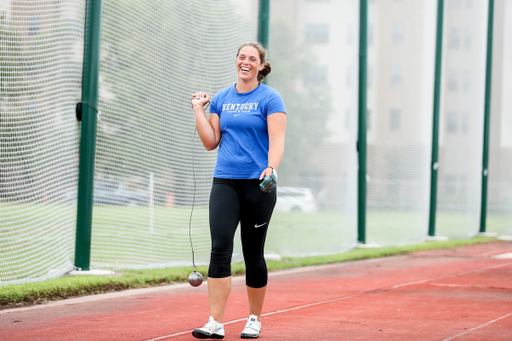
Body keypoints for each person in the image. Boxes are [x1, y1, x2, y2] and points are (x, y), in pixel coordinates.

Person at [190, 42, 287, 339]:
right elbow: (211, 141)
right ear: (236, 62)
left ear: (260, 66)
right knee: (219, 248)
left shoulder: (270, 98)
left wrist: (271, 167)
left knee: (252, 253)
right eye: (242, 57)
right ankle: (215, 322)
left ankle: (254, 319)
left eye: (252, 59)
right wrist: (199, 110)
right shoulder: (221, 99)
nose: (246, 62)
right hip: (225, 182)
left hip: (258, 184)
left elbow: (277, 139)